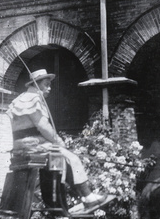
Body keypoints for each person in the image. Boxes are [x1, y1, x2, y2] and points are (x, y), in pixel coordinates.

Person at [7, 68, 106, 209]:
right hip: (34, 145)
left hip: (23, 145)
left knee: (59, 163)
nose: (49, 88)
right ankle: (87, 197)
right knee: (72, 158)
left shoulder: (21, 99)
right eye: (46, 84)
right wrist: (58, 141)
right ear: (36, 84)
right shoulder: (33, 99)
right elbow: (43, 127)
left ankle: (58, 201)